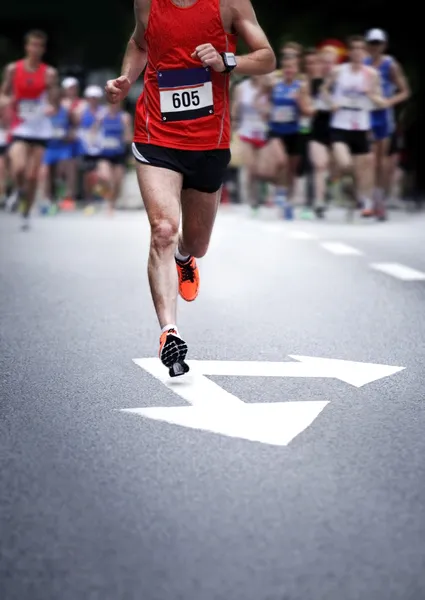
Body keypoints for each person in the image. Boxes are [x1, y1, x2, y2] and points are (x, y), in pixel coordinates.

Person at [105, 0, 275, 375]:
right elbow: (139, 43)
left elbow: (267, 58)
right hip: (156, 134)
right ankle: (169, 332)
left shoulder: (230, 4)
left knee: (195, 242)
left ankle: (185, 257)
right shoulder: (147, 3)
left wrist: (227, 61)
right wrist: (126, 79)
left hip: (208, 143)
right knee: (163, 229)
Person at [324, 35, 387, 217]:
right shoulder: (338, 71)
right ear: (350, 52)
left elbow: (380, 100)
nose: (358, 52)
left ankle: (364, 202)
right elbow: (325, 89)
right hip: (340, 125)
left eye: (361, 48)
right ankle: (340, 183)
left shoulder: (371, 74)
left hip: (361, 125)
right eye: (354, 48)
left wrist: (370, 95)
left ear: (365, 51)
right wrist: (331, 103)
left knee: (363, 170)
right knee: (345, 164)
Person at [1, 30, 57, 229]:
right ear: (27, 47)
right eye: (33, 45)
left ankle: (25, 212)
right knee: (18, 167)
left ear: (43, 49)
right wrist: (9, 101)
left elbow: (54, 102)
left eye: (40, 46)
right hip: (19, 127)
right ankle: (17, 190)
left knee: (33, 176)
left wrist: (51, 107)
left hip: (40, 129)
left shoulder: (49, 73)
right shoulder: (13, 70)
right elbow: (3, 95)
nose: (36, 49)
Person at [257, 54, 311, 218]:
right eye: (286, 67)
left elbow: (307, 110)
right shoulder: (274, 84)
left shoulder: (301, 86)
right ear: (283, 69)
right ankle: (280, 192)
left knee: (292, 170)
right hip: (276, 130)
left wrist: (299, 102)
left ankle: (288, 201)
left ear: (296, 69)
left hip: (294, 131)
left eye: (292, 67)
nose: (289, 70)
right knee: (280, 160)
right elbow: (260, 99)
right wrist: (264, 110)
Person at [364, 28, 410, 219]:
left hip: (383, 115)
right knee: (369, 159)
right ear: (368, 45)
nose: (375, 47)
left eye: (378, 43)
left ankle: (379, 200)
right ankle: (368, 200)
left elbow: (405, 91)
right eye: (372, 43)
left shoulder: (390, 64)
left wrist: (388, 102)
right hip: (365, 115)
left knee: (381, 161)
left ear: (384, 45)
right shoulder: (363, 64)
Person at [308, 46, 338, 217]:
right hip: (318, 128)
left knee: (338, 167)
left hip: (338, 129)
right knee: (320, 165)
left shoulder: (342, 83)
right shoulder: (314, 83)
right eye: (325, 62)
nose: (328, 66)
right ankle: (319, 202)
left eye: (331, 63)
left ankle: (331, 186)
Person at [231, 75, 268, 213]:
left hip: (264, 132)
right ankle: (253, 199)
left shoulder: (267, 85)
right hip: (246, 131)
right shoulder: (242, 87)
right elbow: (236, 107)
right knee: (250, 168)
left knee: (261, 168)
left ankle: (263, 193)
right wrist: (233, 125)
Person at [96, 101, 132, 214]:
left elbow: (128, 138)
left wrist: (125, 128)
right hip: (104, 153)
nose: (114, 105)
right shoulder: (101, 115)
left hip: (119, 153)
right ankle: (108, 203)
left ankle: (112, 202)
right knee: (106, 177)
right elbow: (92, 133)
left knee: (117, 181)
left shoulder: (124, 117)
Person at [41, 86, 73, 206]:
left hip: (62, 146)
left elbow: (73, 125)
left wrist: (69, 134)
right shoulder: (45, 111)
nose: (55, 99)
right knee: (47, 173)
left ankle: (64, 196)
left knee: (62, 170)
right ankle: (47, 198)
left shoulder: (66, 111)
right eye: (53, 97)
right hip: (48, 146)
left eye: (57, 97)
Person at [74, 85, 104, 201]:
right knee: (86, 175)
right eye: (91, 97)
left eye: (95, 97)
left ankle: (100, 197)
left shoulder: (103, 112)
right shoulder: (80, 111)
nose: (93, 100)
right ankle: (88, 198)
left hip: (99, 147)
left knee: (99, 174)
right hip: (85, 146)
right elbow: (75, 126)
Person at [61, 77, 85, 200]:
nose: (73, 90)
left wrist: (69, 111)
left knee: (72, 168)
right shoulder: (60, 102)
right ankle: (61, 194)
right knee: (61, 169)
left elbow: (77, 120)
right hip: (60, 140)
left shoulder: (81, 103)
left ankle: (71, 194)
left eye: (74, 88)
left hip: (75, 140)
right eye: (70, 88)